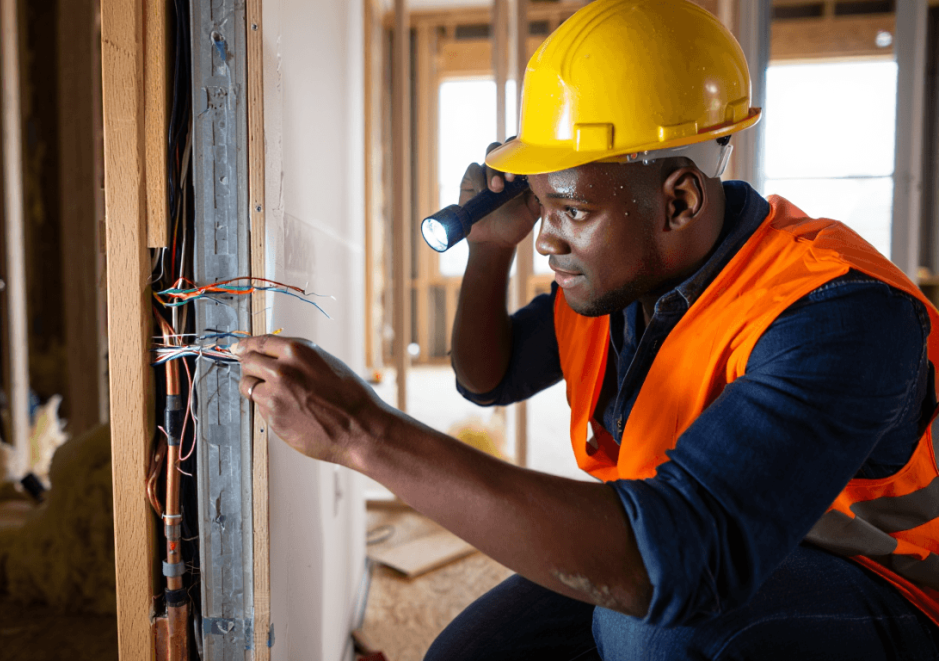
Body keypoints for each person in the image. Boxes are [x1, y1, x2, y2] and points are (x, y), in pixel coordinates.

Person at [235, 0, 939, 658]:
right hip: (699, 538)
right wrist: (489, 247)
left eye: (570, 209)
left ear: (681, 199)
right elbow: (488, 377)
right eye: (542, 206)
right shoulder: (625, 282)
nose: (547, 238)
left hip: (889, 584)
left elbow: (688, 558)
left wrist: (364, 431)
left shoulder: (837, 312)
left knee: (646, 629)